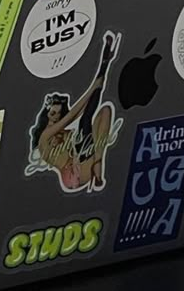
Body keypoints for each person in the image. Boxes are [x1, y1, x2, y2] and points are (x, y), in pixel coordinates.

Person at [28, 31, 122, 192]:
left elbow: (81, 110)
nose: (56, 119)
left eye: (58, 115)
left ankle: (106, 61)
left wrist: (99, 82)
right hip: (72, 177)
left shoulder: (64, 133)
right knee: (86, 121)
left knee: (104, 111)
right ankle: (97, 166)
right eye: (52, 114)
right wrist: (94, 86)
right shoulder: (44, 138)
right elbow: (72, 115)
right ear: (46, 116)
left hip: (84, 165)